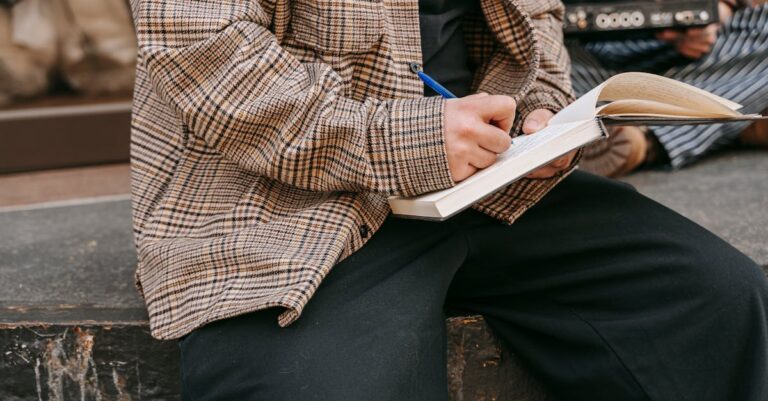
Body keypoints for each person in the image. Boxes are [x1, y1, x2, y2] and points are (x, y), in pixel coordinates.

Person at [128, 0, 768, 399]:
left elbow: (535, 18)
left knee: (718, 301)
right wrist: (411, 139)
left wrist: (541, 114)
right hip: (282, 202)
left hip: (491, 182)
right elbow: (202, 54)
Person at [569, 0, 768, 177]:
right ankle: (736, 118)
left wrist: (722, 7)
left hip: (708, 50)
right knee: (556, 65)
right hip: (591, 55)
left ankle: (642, 134)